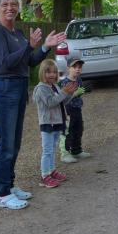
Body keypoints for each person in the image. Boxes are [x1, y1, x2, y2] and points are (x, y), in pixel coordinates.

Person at [0, 0, 66, 209]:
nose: (10, 8)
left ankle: (9, 186)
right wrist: (29, 46)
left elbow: (28, 61)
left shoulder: (17, 33)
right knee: (6, 142)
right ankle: (2, 194)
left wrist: (45, 47)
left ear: (19, 7)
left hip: (19, 88)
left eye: (14, 4)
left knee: (15, 142)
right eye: (5, 5)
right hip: (3, 88)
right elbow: (5, 62)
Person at [33, 59, 78, 188]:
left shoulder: (55, 86)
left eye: (54, 72)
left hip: (57, 122)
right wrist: (64, 92)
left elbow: (61, 101)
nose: (52, 75)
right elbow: (51, 102)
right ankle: (45, 176)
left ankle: (52, 170)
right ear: (42, 73)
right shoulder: (41, 89)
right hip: (48, 124)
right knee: (47, 150)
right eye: (48, 72)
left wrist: (69, 94)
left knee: (53, 149)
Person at [59, 56, 91, 163]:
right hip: (68, 110)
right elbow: (63, 99)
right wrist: (75, 93)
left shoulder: (79, 80)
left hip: (77, 108)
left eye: (79, 67)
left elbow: (80, 91)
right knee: (68, 131)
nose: (77, 69)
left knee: (78, 129)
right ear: (68, 68)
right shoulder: (65, 82)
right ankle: (65, 153)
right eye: (74, 67)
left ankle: (76, 150)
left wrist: (82, 91)